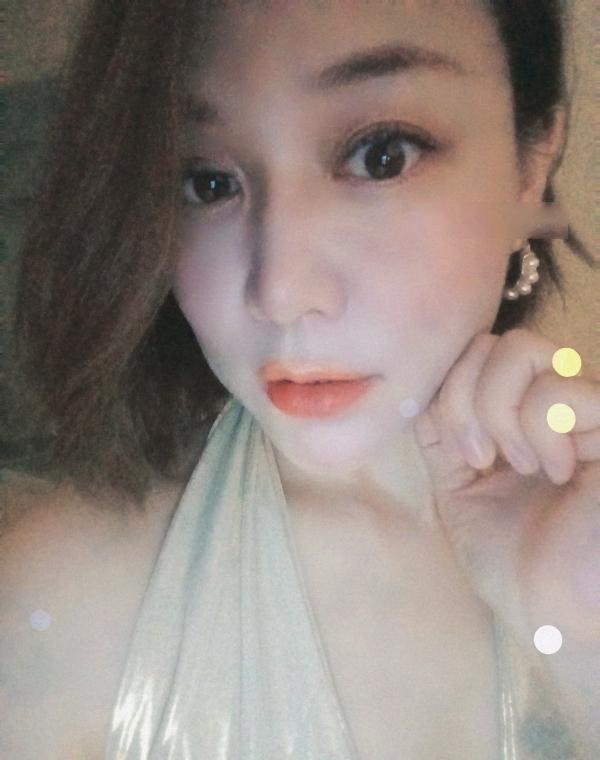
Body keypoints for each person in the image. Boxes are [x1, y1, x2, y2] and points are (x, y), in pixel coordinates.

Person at [1, 1, 598, 758]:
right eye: (208, 182)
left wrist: (582, 636)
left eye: (383, 155)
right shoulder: (65, 604)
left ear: (531, 163)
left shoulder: (582, 533)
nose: (280, 291)